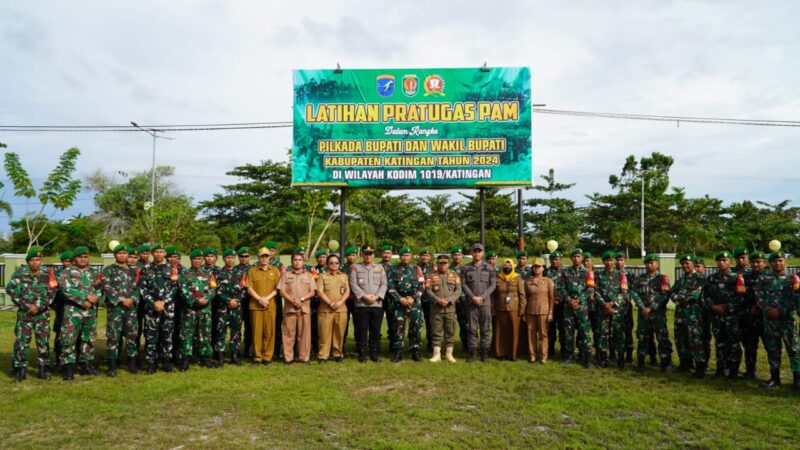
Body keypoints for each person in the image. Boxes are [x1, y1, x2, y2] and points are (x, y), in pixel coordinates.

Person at [7, 247, 57, 381]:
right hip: (25, 315)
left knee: (43, 342)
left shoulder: (48, 274)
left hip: (42, 316)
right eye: (32, 260)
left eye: (37, 260)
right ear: (28, 262)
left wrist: (39, 306)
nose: (35, 262)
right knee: (22, 343)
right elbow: (10, 289)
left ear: (41, 260)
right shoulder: (20, 274)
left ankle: (42, 370)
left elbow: (53, 293)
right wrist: (26, 305)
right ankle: (21, 370)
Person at [754, 250, 800, 389]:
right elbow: (758, 297)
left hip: (788, 320)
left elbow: (796, 298)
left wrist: (780, 310)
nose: (778, 263)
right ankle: (775, 378)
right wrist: (768, 309)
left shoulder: (793, 279)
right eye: (774, 261)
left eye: (780, 260)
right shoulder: (763, 279)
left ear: (785, 262)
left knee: (794, 349)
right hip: (770, 321)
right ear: (770, 263)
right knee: (773, 350)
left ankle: (797, 380)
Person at [59, 246, 102, 380]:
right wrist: (85, 298)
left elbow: (99, 288)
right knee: (69, 338)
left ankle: (86, 365)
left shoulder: (94, 273)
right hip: (73, 311)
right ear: (74, 259)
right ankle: (68, 367)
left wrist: (94, 298)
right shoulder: (67, 272)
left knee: (88, 338)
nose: (83, 259)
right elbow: (66, 290)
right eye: (80, 257)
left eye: (85, 257)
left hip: (90, 311)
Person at [140, 244, 180, 374]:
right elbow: (143, 288)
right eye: (156, 252)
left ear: (164, 254)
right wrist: (153, 303)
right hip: (151, 308)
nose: (158, 254)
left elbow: (175, 288)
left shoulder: (172, 268)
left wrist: (164, 302)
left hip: (167, 307)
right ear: (152, 253)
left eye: (161, 252)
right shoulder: (146, 268)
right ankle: (151, 362)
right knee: (151, 336)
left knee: (167, 335)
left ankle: (166, 361)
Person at [703, 250, 743, 380]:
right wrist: (714, 307)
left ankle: (733, 371)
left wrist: (725, 308)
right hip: (716, 317)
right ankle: (720, 370)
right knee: (719, 343)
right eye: (719, 260)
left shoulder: (737, 278)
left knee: (733, 344)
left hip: (731, 317)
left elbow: (741, 297)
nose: (721, 263)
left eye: (724, 260)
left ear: (730, 262)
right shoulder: (711, 278)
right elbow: (706, 296)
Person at [102, 244, 140, 376]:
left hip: (131, 309)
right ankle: (112, 365)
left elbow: (138, 288)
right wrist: (121, 299)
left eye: (125, 253)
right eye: (119, 253)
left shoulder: (134, 271)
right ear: (115, 255)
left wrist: (132, 299)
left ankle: (132, 364)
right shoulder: (108, 270)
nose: (122, 255)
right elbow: (107, 287)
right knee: (113, 337)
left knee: (132, 336)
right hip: (116, 309)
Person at [178, 249, 218, 370]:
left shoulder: (209, 274)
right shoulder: (184, 274)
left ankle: (205, 358)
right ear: (191, 260)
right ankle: (185, 359)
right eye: (195, 259)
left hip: (205, 310)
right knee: (186, 335)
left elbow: (213, 288)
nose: (197, 261)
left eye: (199, 259)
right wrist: (196, 300)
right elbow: (182, 290)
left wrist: (207, 298)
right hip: (189, 311)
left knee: (205, 334)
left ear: (202, 260)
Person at [633, 254, 673, 372]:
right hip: (643, 314)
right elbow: (634, 293)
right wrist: (642, 307)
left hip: (658, 315)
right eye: (647, 263)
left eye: (652, 263)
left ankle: (665, 364)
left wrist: (651, 307)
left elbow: (665, 295)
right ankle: (641, 363)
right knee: (642, 338)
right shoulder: (639, 278)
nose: (649, 265)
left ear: (657, 264)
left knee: (662, 339)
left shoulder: (663, 278)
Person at [670, 255, 708, 378]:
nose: (685, 266)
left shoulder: (700, 278)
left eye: (687, 263)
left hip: (694, 316)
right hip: (680, 315)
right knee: (681, 340)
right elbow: (672, 292)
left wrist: (679, 298)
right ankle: (685, 364)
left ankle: (700, 367)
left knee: (695, 341)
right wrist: (679, 298)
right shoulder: (681, 279)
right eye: (683, 264)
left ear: (693, 264)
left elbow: (693, 296)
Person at [350, 245, 388, 362]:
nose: (368, 256)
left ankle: (374, 353)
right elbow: (353, 284)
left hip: (376, 304)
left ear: (373, 255)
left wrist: (377, 297)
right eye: (366, 253)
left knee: (375, 330)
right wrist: (364, 296)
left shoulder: (380, 268)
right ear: (362, 255)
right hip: (362, 304)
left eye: (370, 253)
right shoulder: (355, 267)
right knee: (362, 330)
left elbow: (384, 284)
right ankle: (362, 353)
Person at [278, 251, 316, 364]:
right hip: (290, 309)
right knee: (288, 334)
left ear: (303, 262)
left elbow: (313, 291)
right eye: (295, 260)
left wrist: (301, 299)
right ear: (291, 262)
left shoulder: (309, 275)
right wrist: (292, 300)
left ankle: (304, 357)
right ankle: (288, 357)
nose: (297, 262)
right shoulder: (286, 275)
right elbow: (281, 291)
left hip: (304, 309)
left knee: (304, 334)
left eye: (300, 260)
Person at [460, 243, 496, 362]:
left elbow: (493, 285)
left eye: (479, 251)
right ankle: (473, 352)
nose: (477, 253)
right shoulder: (465, 268)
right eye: (475, 251)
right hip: (471, 303)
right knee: (472, 329)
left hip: (485, 303)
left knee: (485, 328)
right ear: (471, 253)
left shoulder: (489, 268)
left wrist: (483, 297)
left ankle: (484, 353)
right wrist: (472, 297)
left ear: (483, 253)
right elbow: (463, 284)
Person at [387, 247, 424, 362]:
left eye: (407, 255)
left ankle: (415, 350)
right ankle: (398, 351)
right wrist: (400, 298)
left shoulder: (417, 269)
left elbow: (422, 285)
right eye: (403, 255)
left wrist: (413, 298)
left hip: (414, 303)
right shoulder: (393, 269)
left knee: (415, 327)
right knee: (398, 327)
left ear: (411, 256)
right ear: (399, 256)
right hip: (399, 303)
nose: (405, 257)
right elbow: (390, 287)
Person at [245, 247, 280, 365]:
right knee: (256, 332)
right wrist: (260, 299)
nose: (264, 258)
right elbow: (249, 288)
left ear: (269, 257)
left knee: (269, 332)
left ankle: (267, 356)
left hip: (270, 305)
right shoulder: (252, 271)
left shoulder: (275, 271)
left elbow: (277, 288)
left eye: (266, 256)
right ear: (258, 257)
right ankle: (257, 357)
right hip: (256, 305)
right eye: (262, 256)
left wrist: (267, 298)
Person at [560, 248, 593, 368]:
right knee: (569, 332)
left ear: (582, 258)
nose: (576, 259)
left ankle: (587, 358)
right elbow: (562, 288)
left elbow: (590, 289)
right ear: (571, 258)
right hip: (569, 307)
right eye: (574, 256)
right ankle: (569, 356)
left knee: (584, 332)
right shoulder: (566, 272)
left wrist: (578, 300)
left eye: (578, 256)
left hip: (582, 307)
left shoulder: (588, 272)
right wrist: (569, 300)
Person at [426, 254, 461, 363]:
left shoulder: (455, 276)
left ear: (448, 264)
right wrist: (438, 300)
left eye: (445, 263)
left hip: (450, 308)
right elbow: (428, 290)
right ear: (437, 264)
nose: (443, 265)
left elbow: (458, 291)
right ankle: (436, 354)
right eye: (440, 263)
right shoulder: (430, 276)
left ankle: (449, 354)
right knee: (436, 331)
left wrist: (449, 300)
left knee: (450, 331)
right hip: (437, 309)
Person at [213, 248, 245, 366]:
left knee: (236, 332)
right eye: (227, 257)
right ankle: (220, 357)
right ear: (224, 259)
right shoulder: (218, 273)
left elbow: (244, 290)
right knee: (220, 332)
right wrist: (228, 300)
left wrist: (236, 301)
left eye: (232, 257)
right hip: (222, 308)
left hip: (236, 308)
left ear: (234, 259)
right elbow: (216, 290)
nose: (230, 260)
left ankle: (234, 356)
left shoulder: (240, 273)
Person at [316, 254, 350, 363]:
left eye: (336, 263)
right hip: (326, 309)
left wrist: (340, 302)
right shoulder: (322, 276)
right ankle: (323, 355)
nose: (334, 265)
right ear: (327, 264)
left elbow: (347, 291)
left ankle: (337, 354)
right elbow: (320, 292)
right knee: (324, 333)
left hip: (341, 309)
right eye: (331, 263)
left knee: (339, 333)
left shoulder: (344, 276)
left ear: (339, 264)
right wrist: (330, 303)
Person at [493, 258, 526, 361]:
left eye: (509, 266)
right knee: (501, 331)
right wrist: (493, 308)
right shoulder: (497, 278)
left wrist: (522, 309)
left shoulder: (517, 278)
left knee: (514, 331)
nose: (507, 268)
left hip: (514, 308)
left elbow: (522, 295)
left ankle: (513, 353)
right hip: (500, 308)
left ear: (512, 267)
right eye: (505, 266)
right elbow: (493, 295)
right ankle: (501, 353)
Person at [742, 251, 768, 379]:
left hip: (766, 318)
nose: (756, 264)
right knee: (750, 346)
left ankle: (775, 375)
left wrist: (759, 307)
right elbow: (740, 296)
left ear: (764, 263)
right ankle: (750, 371)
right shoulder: (745, 278)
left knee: (771, 347)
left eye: (759, 262)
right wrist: (748, 309)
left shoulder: (770, 277)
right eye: (753, 262)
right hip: (750, 318)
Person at [523, 258, 554, 363]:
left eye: (539, 266)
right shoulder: (528, 282)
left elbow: (551, 298)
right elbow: (525, 298)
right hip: (530, 311)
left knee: (543, 335)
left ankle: (543, 356)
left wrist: (550, 312)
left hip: (544, 311)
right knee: (530, 334)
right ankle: (533, 355)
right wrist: (524, 313)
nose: (537, 269)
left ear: (543, 268)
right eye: (535, 266)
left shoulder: (548, 281)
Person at [52, 250, 72, 370]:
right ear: (62, 262)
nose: (68, 263)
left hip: (76, 309)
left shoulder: (78, 273)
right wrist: (54, 305)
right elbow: (52, 291)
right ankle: (59, 359)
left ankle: (76, 359)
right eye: (66, 261)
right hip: (61, 309)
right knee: (60, 334)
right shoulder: (57, 274)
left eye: (70, 261)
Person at [451, 246, 470, 353]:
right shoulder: (448, 268)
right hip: (452, 301)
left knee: (465, 324)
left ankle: (466, 345)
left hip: (464, 300)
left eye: (459, 255)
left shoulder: (467, 268)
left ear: (462, 256)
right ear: (452, 256)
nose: (457, 257)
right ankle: (449, 346)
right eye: (455, 255)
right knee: (450, 324)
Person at [546, 251, 566, 358]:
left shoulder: (566, 271)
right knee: (550, 328)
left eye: (557, 259)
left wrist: (560, 299)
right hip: (550, 304)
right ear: (550, 260)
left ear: (560, 260)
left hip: (563, 304)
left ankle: (564, 350)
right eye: (553, 259)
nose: (555, 261)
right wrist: (552, 300)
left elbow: (568, 287)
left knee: (563, 328)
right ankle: (550, 350)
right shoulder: (546, 272)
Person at [237, 247, 253, 360]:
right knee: (236, 328)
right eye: (241, 256)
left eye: (246, 256)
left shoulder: (254, 269)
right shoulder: (234, 269)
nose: (244, 258)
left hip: (250, 302)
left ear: (250, 257)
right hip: (238, 304)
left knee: (250, 328)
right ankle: (236, 351)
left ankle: (247, 350)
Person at [417, 248, 434, 352]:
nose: (425, 257)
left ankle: (430, 344)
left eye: (427, 256)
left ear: (430, 257)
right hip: (417, 299)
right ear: (420, 257)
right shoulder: (415, 268)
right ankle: (416, 343)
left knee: (430, 322)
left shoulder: (433, 269)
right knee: (416, 322)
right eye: (423, 255)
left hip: (429, 299)